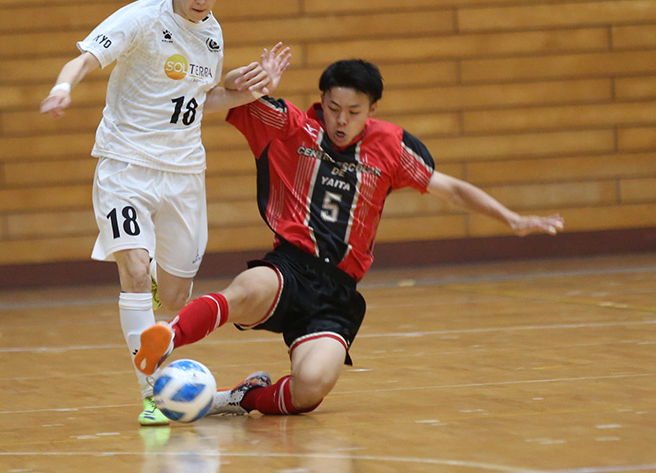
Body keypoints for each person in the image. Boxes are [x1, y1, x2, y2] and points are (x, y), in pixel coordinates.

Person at [135, 58, 565, 417]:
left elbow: (450, 187)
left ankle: (241, 397)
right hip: (291, 265)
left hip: (338, 292)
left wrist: (512, 218)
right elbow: (224, 95)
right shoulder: (291, 125)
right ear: (322, 101)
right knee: (250, 286)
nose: (341, 120)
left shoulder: (393, 148)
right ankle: (168, 336)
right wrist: (245, 81)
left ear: (371, 108)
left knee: (310, 388)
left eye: (354, 111)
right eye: (333, 107)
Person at [40, 0, 289, 426]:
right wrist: (63, 88)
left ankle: (162, 359)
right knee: (134, 270)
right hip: (126, 167)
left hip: (183, 176)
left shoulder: (213, 34)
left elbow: (202, 102)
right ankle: (151, 392)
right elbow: (84, 59)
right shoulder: (142, 19)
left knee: (175, 298)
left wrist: (249, 88)